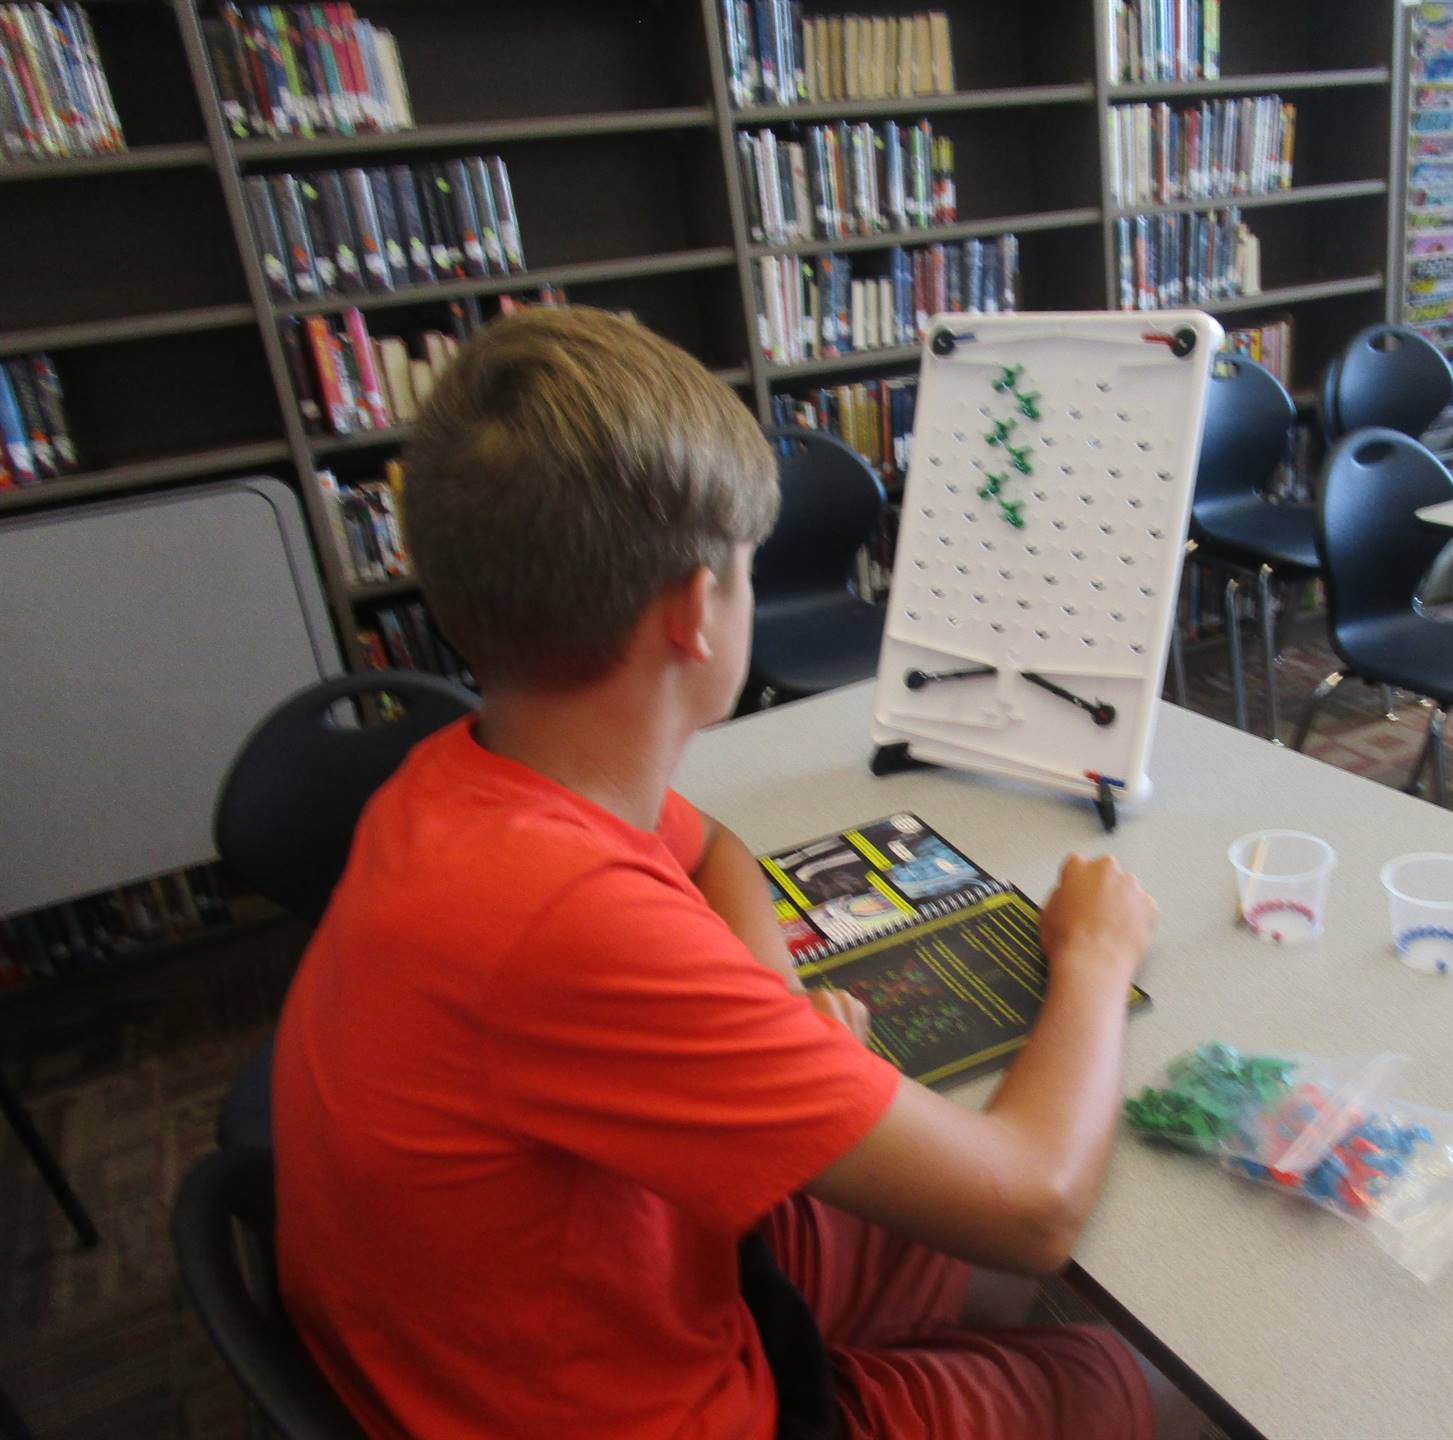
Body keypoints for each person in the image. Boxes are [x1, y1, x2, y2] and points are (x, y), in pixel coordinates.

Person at [273, 307, 1173, 1438]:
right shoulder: (566, 917)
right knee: (1125, 1374)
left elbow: (714, 850)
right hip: (639, 1407)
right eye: (747, 571)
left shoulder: (468, 776)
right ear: (699, 613)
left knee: (980, 1260)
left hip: (560, 1304)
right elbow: (1035, 1203)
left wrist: (774, 1003)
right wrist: (1094, 956)